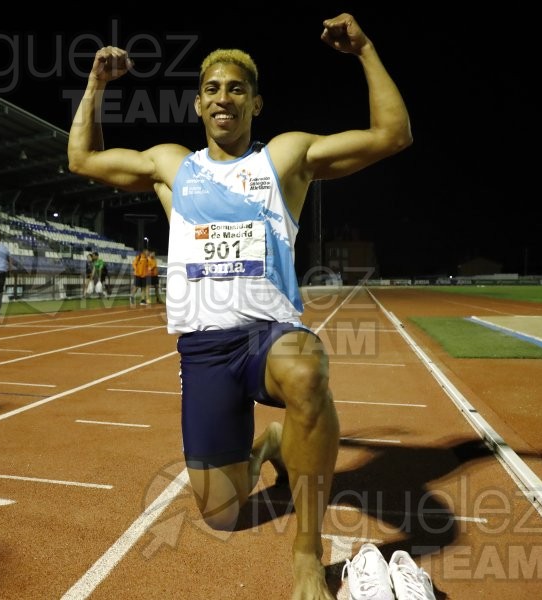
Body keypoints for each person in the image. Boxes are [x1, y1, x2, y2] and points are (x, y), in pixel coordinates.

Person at [68, 13, 411, 599]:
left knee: (307, 370)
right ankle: (270, 444)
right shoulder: (172, 166)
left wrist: (367, 51)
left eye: (235, 88)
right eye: (211, 89)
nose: (222, 97)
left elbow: (392, 135)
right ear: (199, 106)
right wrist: (96, 86)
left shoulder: (281, 158)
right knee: (222, 514)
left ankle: (308, 551)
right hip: (203, 347)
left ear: (256, 103)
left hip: (268, 334)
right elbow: (82, 159)